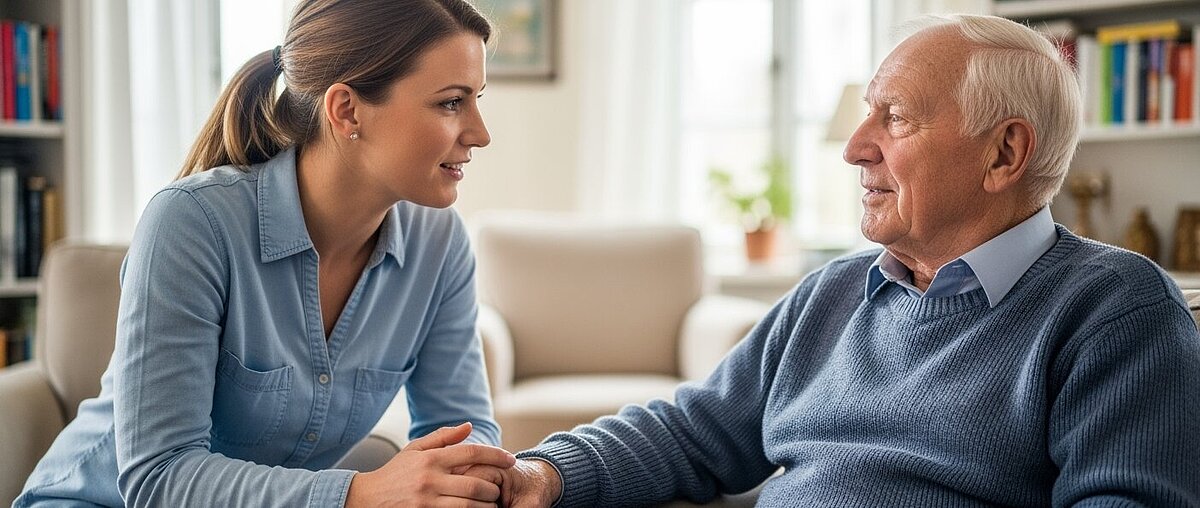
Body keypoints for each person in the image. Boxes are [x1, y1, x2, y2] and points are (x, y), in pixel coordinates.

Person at [467, 13, 1200, 507]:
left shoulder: (1116, 311)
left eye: (896, 117)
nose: (855, 147)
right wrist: (545, 472)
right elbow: (696, 430)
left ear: (1004, 152)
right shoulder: (837, 291)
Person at [15, 1, 517, 506]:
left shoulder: (441, 245)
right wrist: (360, 493)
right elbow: (159, 477)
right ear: (346, 110)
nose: (481, 133)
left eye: (476, 99)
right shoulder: (191, 224)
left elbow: (465, 434)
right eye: (452, 102)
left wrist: (461, 481)